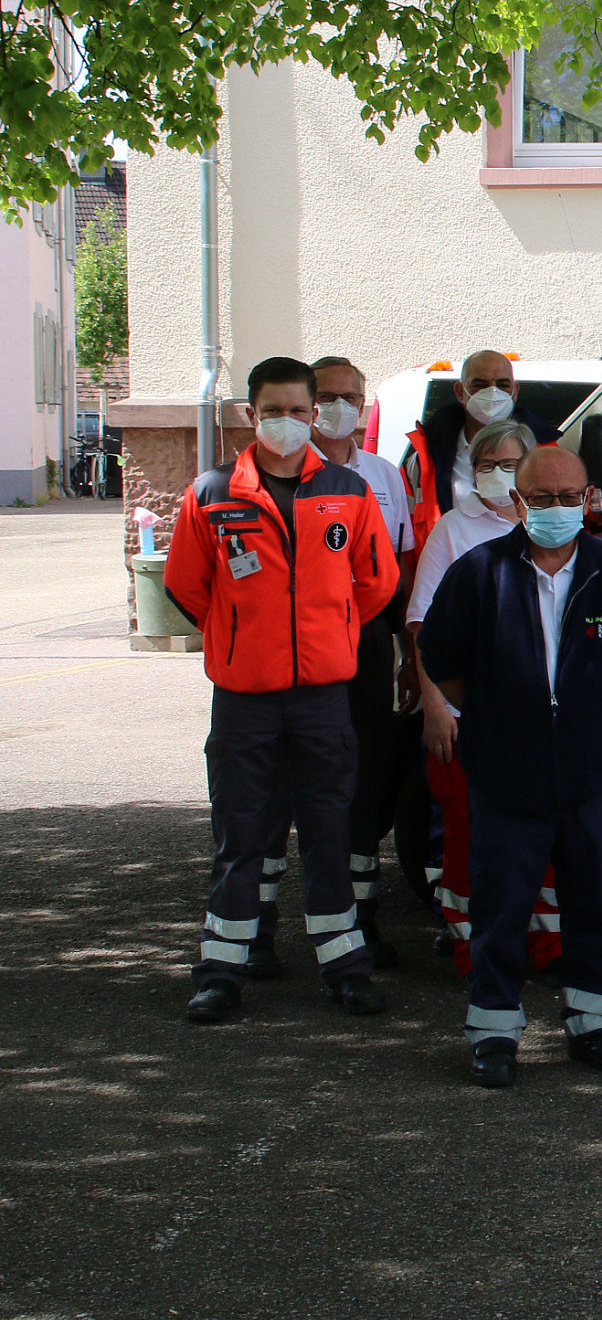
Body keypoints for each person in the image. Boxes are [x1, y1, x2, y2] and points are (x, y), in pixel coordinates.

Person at [419, 446, 602, 1087]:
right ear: (518, 502)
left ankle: (595, 1024)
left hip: (591, 772)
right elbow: (441, 656)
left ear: (588, 499)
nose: (556, 509)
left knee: (591, 898)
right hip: (506, 771)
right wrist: (504, 716)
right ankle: (494, 1032)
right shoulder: (479, 572)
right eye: (542, 498)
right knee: (501, 904)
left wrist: (587, 715)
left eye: (569, 497)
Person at [168, 356, 399, 1023]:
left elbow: (376, 581)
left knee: (330, 829)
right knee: (241, 833)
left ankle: (345, 965)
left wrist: (331, 628)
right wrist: (242, 637)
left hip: (323, 695)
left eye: (302, 410)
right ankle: (222, 970)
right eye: (276, 410)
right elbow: (187, 585)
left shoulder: (348, 491)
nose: (292, 422)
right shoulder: (211, 494)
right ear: (250, 413)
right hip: (245, 697)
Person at [251, 356, 419, 975]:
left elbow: (393, 574)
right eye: (325, 397)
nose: (336, 408)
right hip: (283, 649)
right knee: (270, 790)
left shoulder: (381, 476)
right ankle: (258, 930)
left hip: (364, 645)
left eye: (352, 397)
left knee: (362, 779)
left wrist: (404, 655)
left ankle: (360, 924)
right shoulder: (253, 480)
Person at [407, 418, 559, 973]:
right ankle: (473, 946)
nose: (498, 475)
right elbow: (423, 625)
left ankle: (547, 947)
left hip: (541, 714)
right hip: (468, 714)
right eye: (486, 465)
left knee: (542, 831)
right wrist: (436, 707)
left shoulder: (559, 526)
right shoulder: (452, 529)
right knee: (468, 832)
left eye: (510, 463)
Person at [403, 349, 558, 555]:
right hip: (449, 572)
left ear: (515, 391)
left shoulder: (546, 454)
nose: (492, 393)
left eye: (503, 385)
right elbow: (404, 535)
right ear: (460, 392)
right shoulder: (425, 459)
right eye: (480, 385)